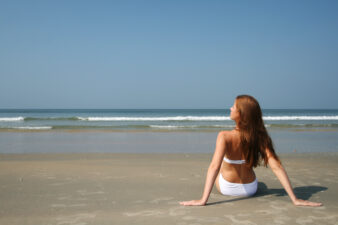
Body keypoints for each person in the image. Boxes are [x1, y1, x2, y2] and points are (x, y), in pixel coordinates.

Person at [179, 95, 322, 207]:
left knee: (221, 164)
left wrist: (203, 200)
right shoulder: (259, 137)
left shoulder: (224, 136)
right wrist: (295, 199)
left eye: (234, 107)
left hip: (227, 188)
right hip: (250, 189)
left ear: (241, 114)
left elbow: (214, 167)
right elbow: (276, 166)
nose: (230, 108)